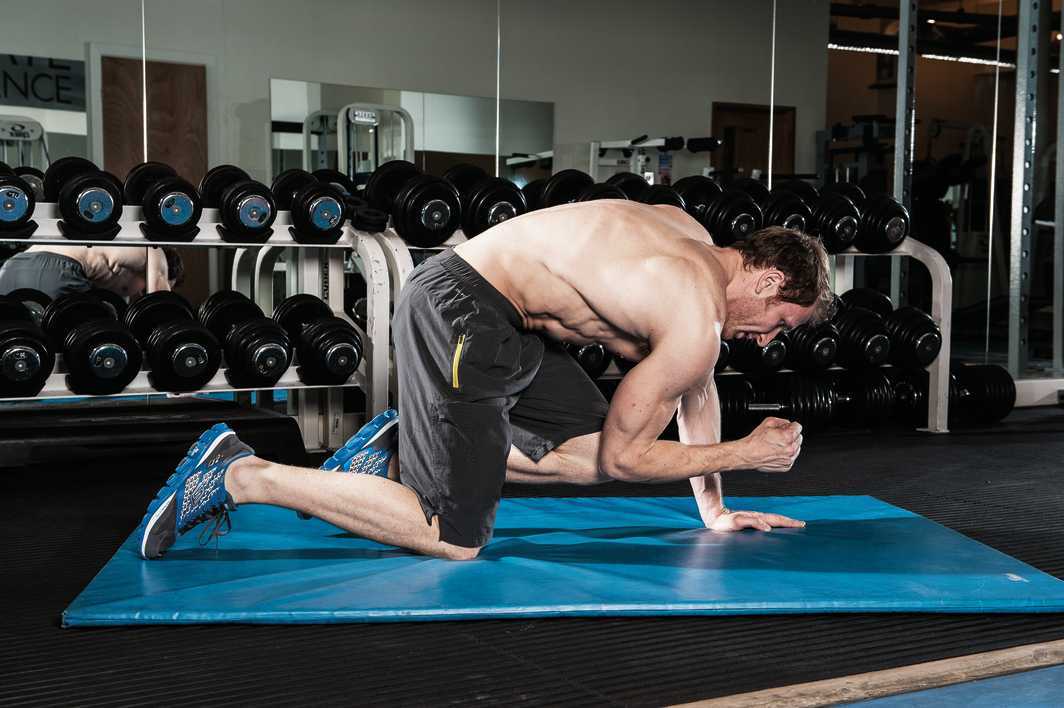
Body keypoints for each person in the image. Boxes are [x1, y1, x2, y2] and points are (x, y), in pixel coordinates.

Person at [137, 200, 833, 562]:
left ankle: (407, 451)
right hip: (462, 307)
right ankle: (241, 475)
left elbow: (694, 388)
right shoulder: (692, 313)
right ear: (768, 278)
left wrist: (713, 509)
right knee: (456, 539)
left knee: (589, 453)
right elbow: (636, 454)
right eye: (781, 320)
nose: (769, 338)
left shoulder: (684, 233)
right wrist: (744, 453)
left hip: (509, 319)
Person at [0, 244, 184, 300]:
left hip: (12, 266)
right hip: (57, 269)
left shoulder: (118, 266)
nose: (140, 293)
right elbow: (161, 308)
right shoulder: (153, 250)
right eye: (144, 290)